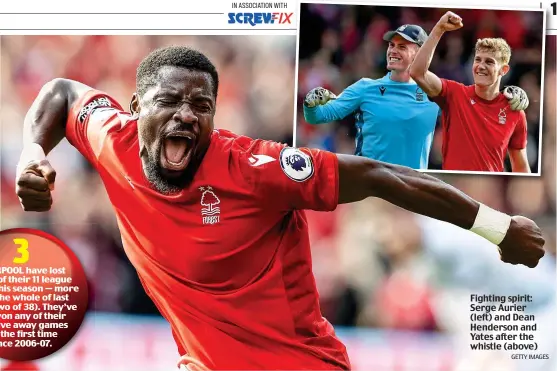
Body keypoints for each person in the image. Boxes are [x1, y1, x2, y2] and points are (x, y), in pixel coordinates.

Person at [15, 46, 545, 370]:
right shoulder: (114, 139)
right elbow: (60, 92)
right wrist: (32, 155)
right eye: (168, 103)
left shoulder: (251, 169)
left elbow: (381, 175)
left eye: (201, 106)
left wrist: (497, 227)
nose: (185, 117)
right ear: (135, 111)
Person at [303, 24, 529, 170]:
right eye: (391, 45)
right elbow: (320, 116)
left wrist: (516, 95)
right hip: (370, 180)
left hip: (413, 186)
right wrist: (310, 104)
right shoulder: (366, 87)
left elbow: (478, 103)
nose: (392, 50)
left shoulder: (434, 95)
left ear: (420, 53)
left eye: (402, 46)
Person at [409, 12, 532, 173]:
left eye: (489, 62)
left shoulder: (515, 112)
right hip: (454, 190)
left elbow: (521, 166)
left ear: (504, 70)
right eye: (478, 59)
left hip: (487, 194)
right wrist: (439, 29)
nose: (480, 66)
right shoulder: (454, 93)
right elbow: (417, 72)